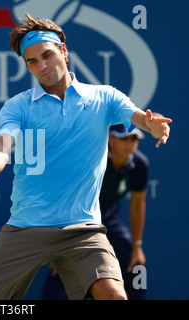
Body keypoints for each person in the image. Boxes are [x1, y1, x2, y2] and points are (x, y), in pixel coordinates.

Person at [0, 14, 172, 300]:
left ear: (64, 52)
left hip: (82, 230)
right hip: (26, 227)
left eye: (47, 55)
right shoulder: (18, 107)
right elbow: (0, 147)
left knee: (115, 296)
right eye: (32, 61)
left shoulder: (104, 97)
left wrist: (152, 125)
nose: (42, 66)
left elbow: (137, 118)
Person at [42, 124, 148, 300]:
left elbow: (137, 204)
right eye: (123, 138)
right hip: (77, 219)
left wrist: (137, 246)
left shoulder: (140, 165)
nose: (129, 143)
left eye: (134, 139)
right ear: (109, 139)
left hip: (109, 218)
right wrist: (59, 241)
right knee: (60, 266)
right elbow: (64, 197)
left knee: (135, 261)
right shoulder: (90, 159)